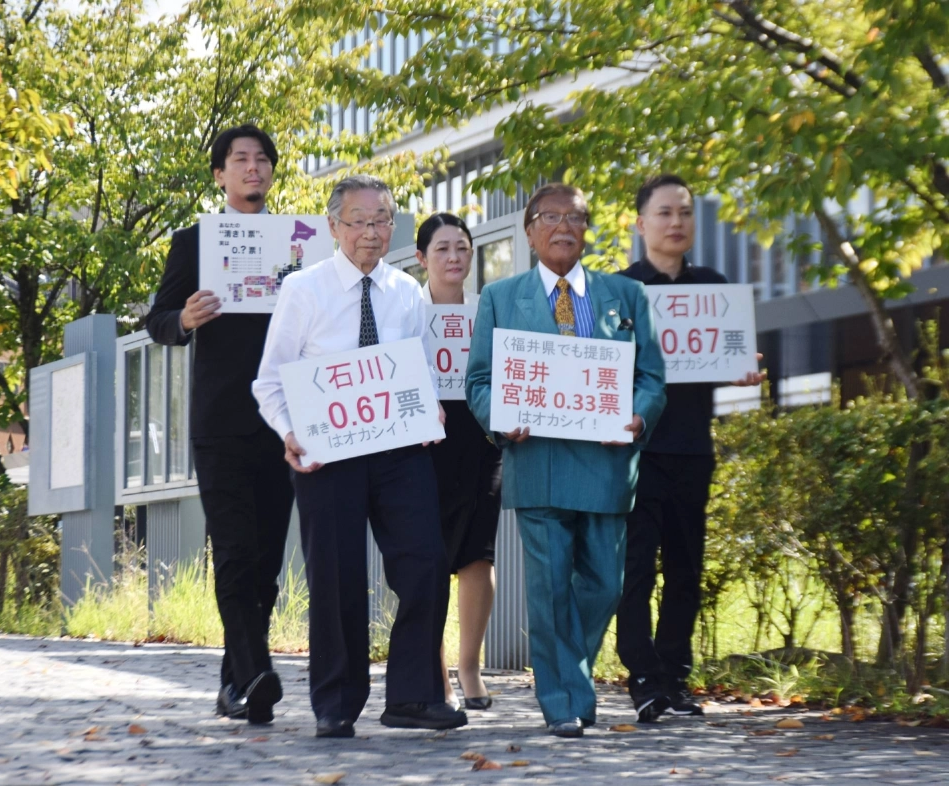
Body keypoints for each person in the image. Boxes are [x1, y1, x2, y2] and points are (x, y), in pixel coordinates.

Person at [252, 175, 468, 738]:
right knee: (338, 574)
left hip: (400, 451)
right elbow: (269, 382)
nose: (371, 232)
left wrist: (431, 410)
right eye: (359, 221)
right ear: (333, 226)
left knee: (425, 563)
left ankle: (414, 697)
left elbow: (418, 366)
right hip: (327, 454)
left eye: (381, 221)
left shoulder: (405, 291)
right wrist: (289, 433)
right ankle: (336, 701)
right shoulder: (304, 289)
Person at [466, 183, 666, 737]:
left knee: (604, 586)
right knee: (549, 587)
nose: (563, 227)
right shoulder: (501, 298)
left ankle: (565, 678)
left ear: (587, 229)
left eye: (574, 217)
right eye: (550, 217)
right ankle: (564, 700)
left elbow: (650, 378)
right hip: (538, 463)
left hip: (605, 464)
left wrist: (637, 417)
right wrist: (499, 418)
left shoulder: (624, 297)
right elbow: (479, 380)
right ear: (529, 230)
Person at [146, 124, 295, 725]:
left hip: (285, 420)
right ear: (220, 174)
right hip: (221, 420)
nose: (252, 168)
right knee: (233, 550)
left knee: (268, 562)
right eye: (240, 160)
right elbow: (157, 319)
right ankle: (255, 670)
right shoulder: (194, 242)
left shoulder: (300, 242)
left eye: (262, 159)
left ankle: (236, 682)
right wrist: (184, 317)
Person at [617, 174, 766, 722]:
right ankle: (643, 679)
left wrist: (740, 373)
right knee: (635, 570)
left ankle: (676, 678)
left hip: (692, 449)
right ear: (640, 224)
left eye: (684, 213)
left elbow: (720, 360)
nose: (676, 223)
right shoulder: (621, 289)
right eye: (664, 213)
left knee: (685, 568)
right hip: (635, 454)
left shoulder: (714, 286)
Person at [415, 213, 503, 711]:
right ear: (422, 258)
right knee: (426, 558)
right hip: (423, 444)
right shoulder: (406, 309)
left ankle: (469, 666)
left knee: (477, 553)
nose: (454, 258)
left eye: (462, 248)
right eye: (443, 249)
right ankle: (434, 672)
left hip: (480, 441)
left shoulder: (487, 309)